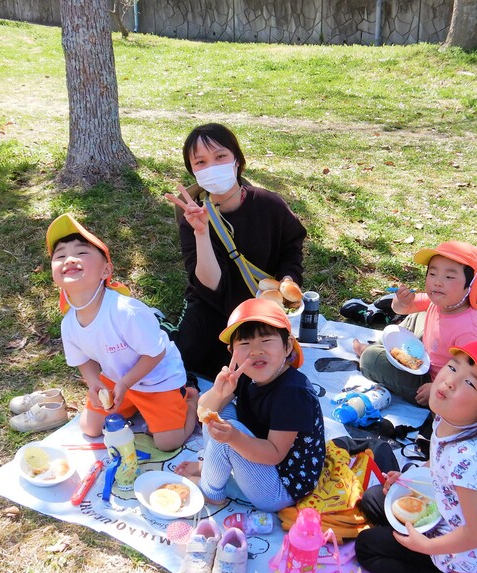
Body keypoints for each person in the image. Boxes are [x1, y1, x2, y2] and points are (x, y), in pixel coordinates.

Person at [354, 340, 477, 573]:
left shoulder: (468, 459)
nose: (450, 381)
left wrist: (425, 546)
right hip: (446, 513)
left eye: (470, 383)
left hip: (465, 551)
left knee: (367, 547)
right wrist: (408, 479)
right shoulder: (451, 419)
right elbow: (438, 463)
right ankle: (412, 542)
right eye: (453, 367)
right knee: (372, 498)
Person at [165, 123, 307, 378]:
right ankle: (161, 325)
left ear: (237, 160)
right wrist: (201, 232)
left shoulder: (268, 204)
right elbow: (208, 284)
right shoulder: (192, 216)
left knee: (264, 369)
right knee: (185, 361)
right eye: (200, 162)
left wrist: (288, 279)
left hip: (259, 306)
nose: (211, 167)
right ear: (193, 171)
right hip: (210, 305)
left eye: (220, 157)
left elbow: (291, 248)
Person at [47, 213, 197, 449]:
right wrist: (94, 381)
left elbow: (155, 354)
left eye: (81, 252)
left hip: (158, 379)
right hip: (117, 380)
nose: (69, 259)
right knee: (90, 428)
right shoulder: (69, 323)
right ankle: (134, 405)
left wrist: (126, 383)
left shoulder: (125, 311)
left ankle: (189, 399)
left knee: (168, 443)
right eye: (60, 255)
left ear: (106, 271)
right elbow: (83, 359)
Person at [174, 298, 325, 512]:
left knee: (228, 432)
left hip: (281, 487)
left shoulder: (294, 393)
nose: (255, 351)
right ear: (231, 351)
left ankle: (211, 492)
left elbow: (274, 454)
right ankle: (213, 468)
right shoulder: (245, 373)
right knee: (218, 413)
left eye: (266, 341)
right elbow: (203, 412)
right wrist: (219, 391)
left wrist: (233, 438)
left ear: (287, 345)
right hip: (259, 462)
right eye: (245, 344)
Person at [352, 240, 477, 406]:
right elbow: (403, 309)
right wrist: (402, 301)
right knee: (417, 316)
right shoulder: (440, 301)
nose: (437, 282)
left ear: (472, 287)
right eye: (432, 274)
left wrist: (435, 388)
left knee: (371, 359)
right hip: (425, 355)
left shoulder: (469, 332)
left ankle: (370, 353)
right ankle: (384, 347)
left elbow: (473, 376)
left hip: (433, 384)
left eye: (449, 277)